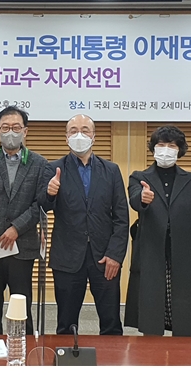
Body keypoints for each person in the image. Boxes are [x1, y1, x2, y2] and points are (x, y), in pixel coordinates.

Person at [125, 126, 191, 336]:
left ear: (180, 150)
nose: (166, 149)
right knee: (151, 316)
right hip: (151, 254)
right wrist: (143, 199)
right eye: (161, 145)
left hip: (185, 256)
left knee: (185, 319)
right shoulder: (139, 177)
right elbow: (135, 199)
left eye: (172, 145)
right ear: (153, 148)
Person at [45, 114, 129, 336]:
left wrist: (115, 255)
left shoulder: (111, 170)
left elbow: (121, 217)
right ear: (66, 137)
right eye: (73, 131)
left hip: (105, 258)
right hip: (67, 257)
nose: (79, 135)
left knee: (111, 323)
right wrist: (49, 193)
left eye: (85, 130)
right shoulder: (53, 169)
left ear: (94, 136)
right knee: (66, 324)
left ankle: (111, 358)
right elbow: (42, 207)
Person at [0, 107, 52, 335]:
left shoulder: (40, 163)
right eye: (6, 127)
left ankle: (23, 349)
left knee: (22, 306)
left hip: (23, 245)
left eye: (16, 127)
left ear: (25, 131)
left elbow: (40, 204)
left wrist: (16, 228)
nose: (11, 132)